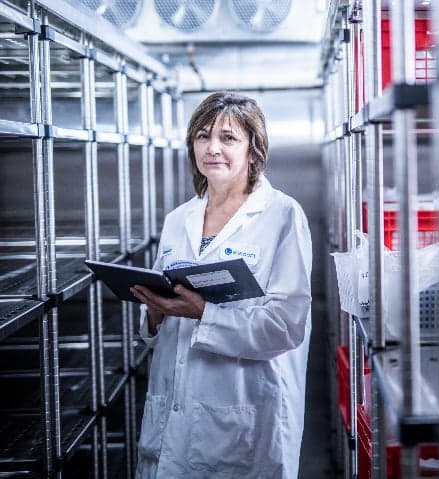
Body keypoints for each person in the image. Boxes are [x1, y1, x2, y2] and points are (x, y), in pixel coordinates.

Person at [130, 92, 312, 479]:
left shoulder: (281, 215)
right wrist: (154, 314)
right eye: (202, 136)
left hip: (242, 415)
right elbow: (160, 319)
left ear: (253, 149)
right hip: (171, 408)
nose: (212, 148)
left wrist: (203, 313)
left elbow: (286, 326)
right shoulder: (179, 218)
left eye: (228, 138)